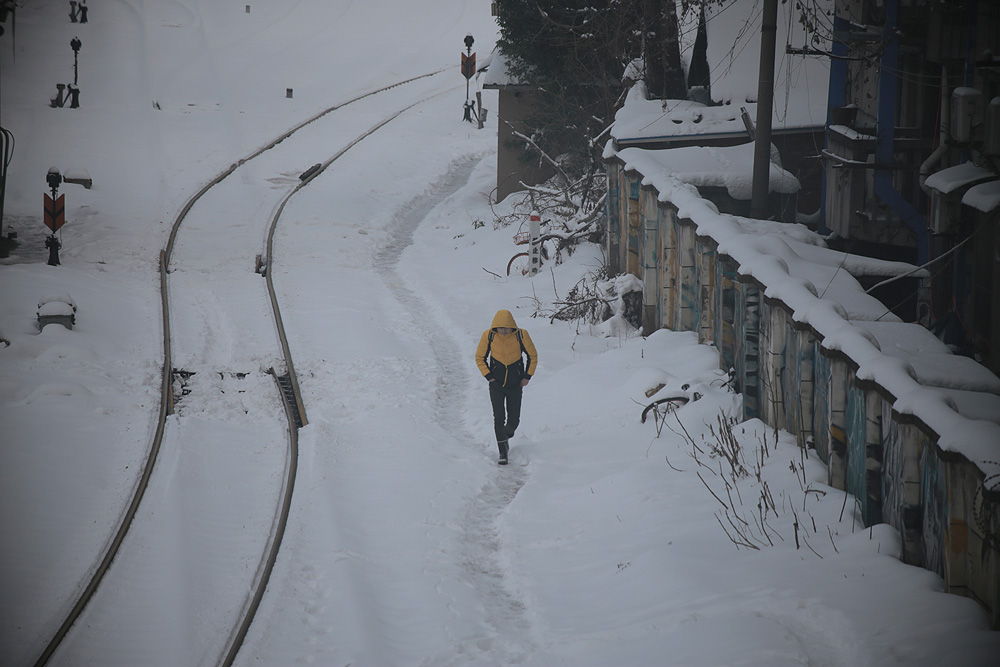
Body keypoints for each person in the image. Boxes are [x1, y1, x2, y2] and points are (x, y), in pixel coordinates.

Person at [476, 309, 538, 465]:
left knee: (513, 421)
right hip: (496, 384)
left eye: (506, 327)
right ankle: (502, 452)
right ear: (495, 327)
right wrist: (489, 376)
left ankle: (506, 434)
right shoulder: (488, 336)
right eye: (500, 327)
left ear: (512, 326)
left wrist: (527, 376)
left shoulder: (521, 335)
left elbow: (533, 356)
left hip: (515, 384)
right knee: (498, 417)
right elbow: (479, 357)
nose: (503, 330)